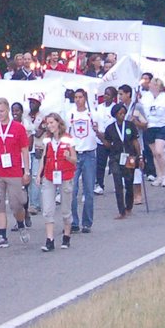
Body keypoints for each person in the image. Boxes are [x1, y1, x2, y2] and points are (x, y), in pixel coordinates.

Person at [0, 97, 30, 246]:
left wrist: (26, 171)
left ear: (8, 110)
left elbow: (24, 150)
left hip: (14, 171)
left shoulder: (18, 128)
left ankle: (21, 223)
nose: (0, 114)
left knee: (16, 204)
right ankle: (2, 236)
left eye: (2, 111)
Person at [36, 113, 77, 252]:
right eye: (48, 123)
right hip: (50, 175)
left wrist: (68, 157)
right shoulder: (47, 140)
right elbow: (44, 157)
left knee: (66, 209)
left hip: (65, 175)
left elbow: (74, 159)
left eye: (52, 122)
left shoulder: (68, 139)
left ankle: (66, 235)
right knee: (48, 209)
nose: (50, 125)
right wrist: (39, 174)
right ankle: (50, 239)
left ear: (58, 123)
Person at [66, 88, 100, 234]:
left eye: (80, 97)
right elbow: (66, 133)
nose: (78, 99)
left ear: (85, 98)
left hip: (89, 154)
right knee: (72, 190)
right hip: (75, 154)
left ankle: (87, 222)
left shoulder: (92, 114)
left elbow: (99, 132)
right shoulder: (70, 114)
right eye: (76, 97)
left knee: (89, 190)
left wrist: (97, 129)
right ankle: (74, 222)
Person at [100, 102, 139, 219]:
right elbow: (107, 144)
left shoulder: (130, 126)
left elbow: (135, 142)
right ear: (115, 115)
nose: (122, 115)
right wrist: (99, 136)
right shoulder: (110, 128)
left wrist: (140, 156)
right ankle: (121, 210)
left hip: (129, 157)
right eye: (119, 113)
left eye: (123, 113)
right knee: (117, 183)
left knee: (129, 183)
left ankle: (129, 206)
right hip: (115, 158)